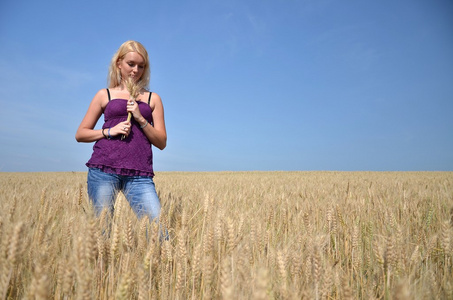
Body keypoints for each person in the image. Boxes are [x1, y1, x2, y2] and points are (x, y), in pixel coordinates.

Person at [75, 40, 166, 223]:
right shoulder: (104, 95)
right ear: (119, 63)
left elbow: (161, 142)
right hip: (104, 168)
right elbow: (81, 134)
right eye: (130, 64)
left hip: (140, 173)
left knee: (157, 229)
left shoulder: (152, 99)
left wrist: (140, 119)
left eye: (141, 66)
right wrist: (109, 131)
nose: (135, 70)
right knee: (103, 230)